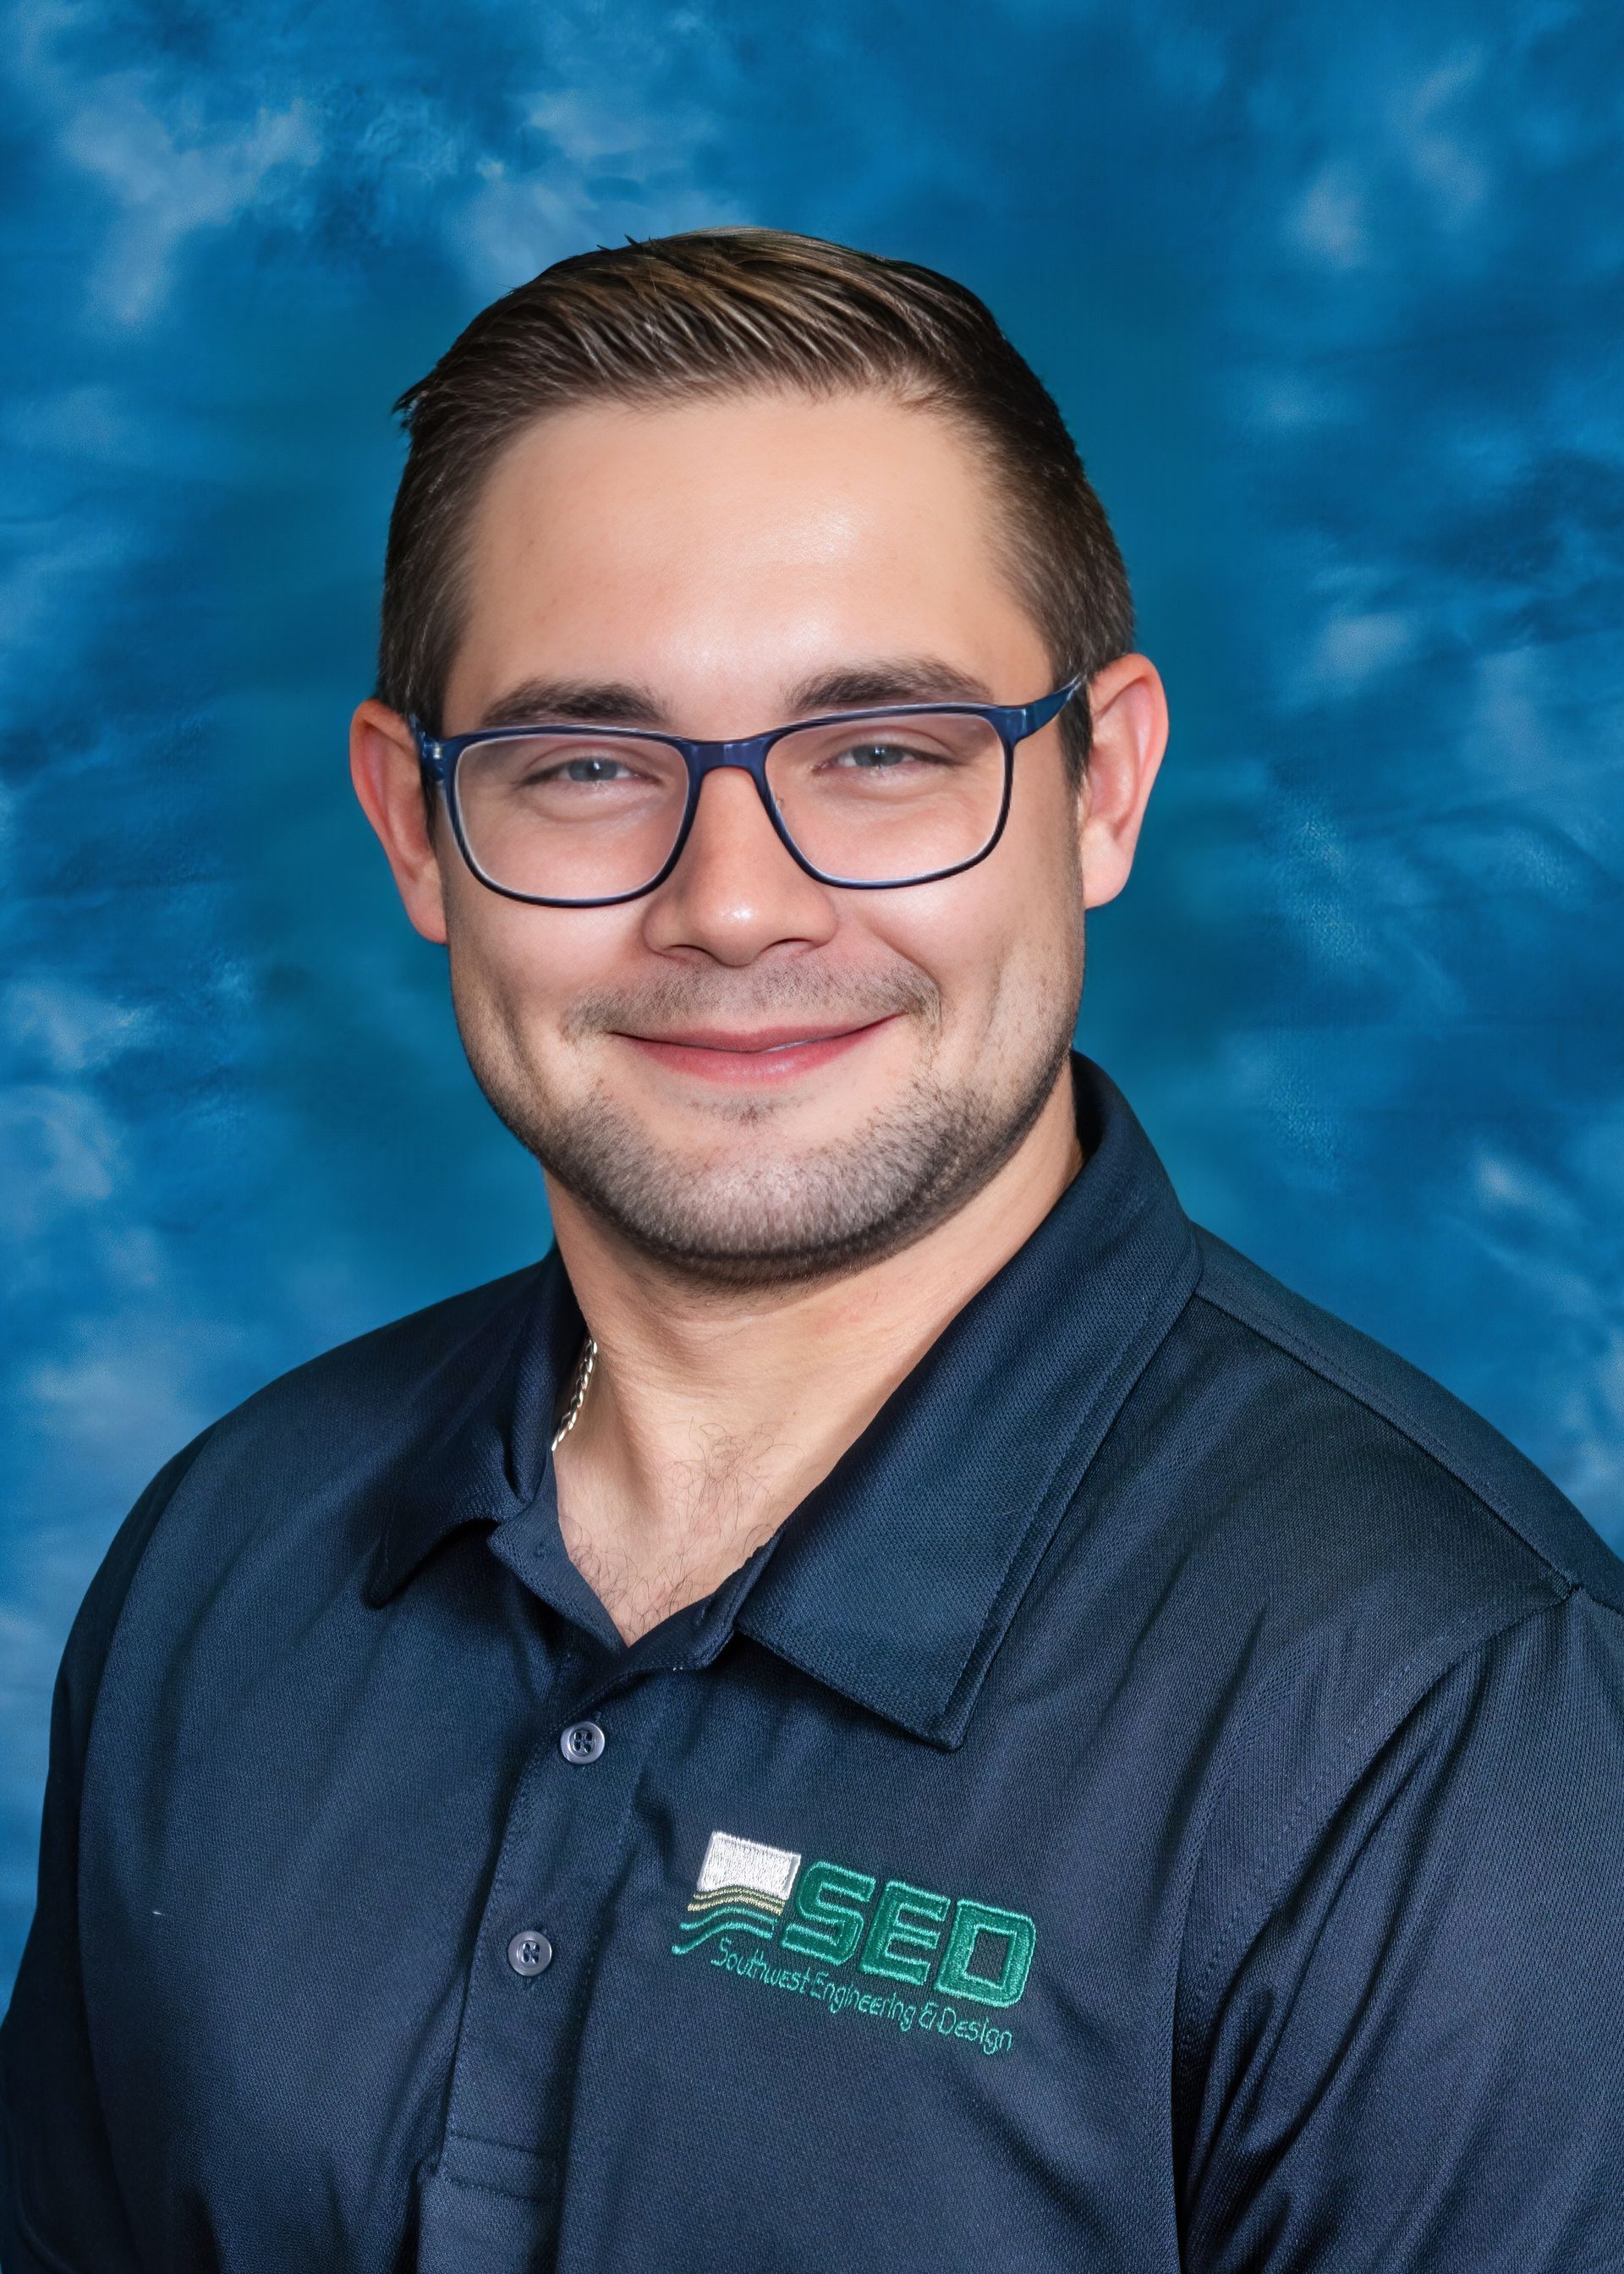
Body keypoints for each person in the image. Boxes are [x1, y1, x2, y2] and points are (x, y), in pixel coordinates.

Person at [3, 226, 1621, 2274]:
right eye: (587, 767)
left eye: (878, 754)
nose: (739, 907)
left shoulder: (1451, 1725)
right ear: (417, 834)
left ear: (1101, 787)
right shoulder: (228, 1561)